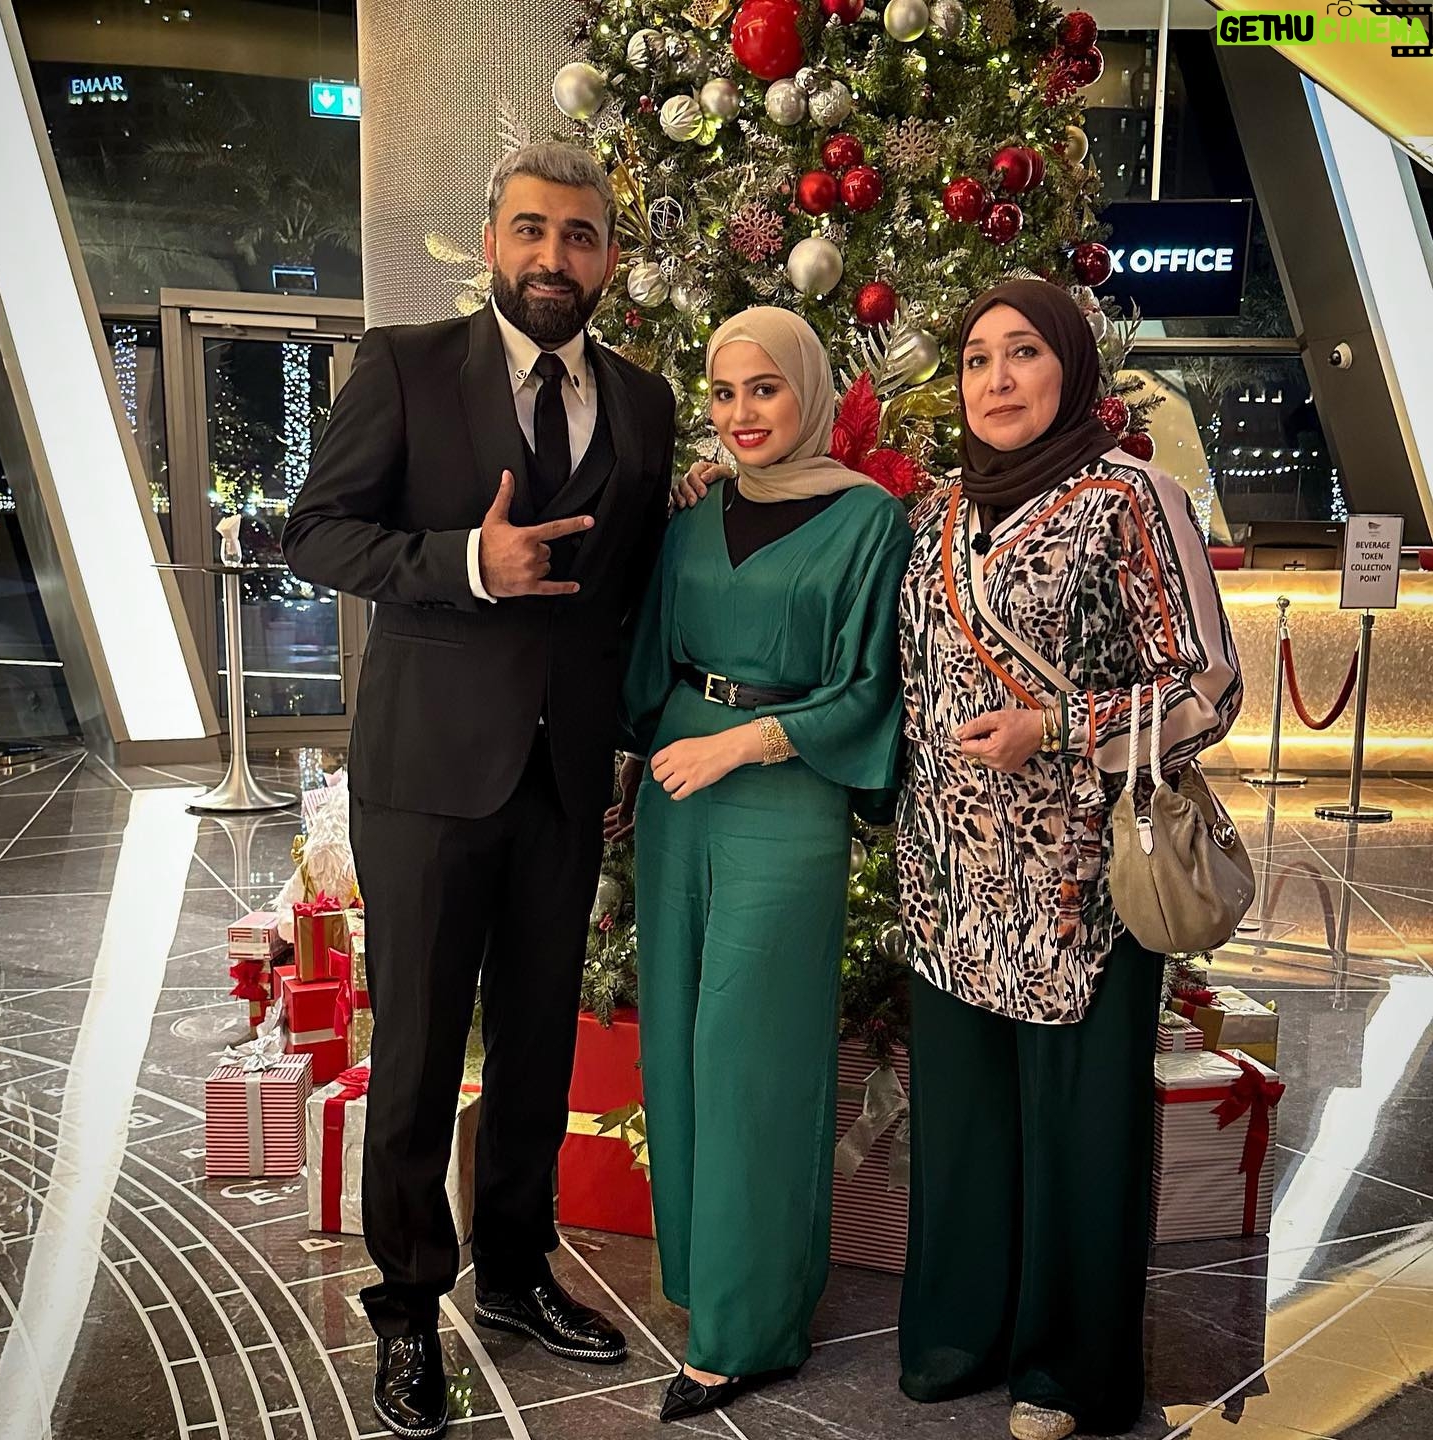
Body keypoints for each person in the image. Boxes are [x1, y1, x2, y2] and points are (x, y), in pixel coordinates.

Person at [282, 141, 675, 1440]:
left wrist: (626, 740)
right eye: (532, 230)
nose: (554, 257)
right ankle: (407, 1305)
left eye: (580, 235)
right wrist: (463, 562)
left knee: (537, 1045)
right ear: (494, 238)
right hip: (428, 777)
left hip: (565, 778)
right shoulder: (405, 365)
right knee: (415, 1054)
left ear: (608, 257)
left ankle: (512, 1267)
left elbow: (626, 592)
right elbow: (315, 531)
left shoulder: (643, 401)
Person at [895, 279, 1242, 1440]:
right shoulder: (942, 510)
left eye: (1024, 353)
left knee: (1079, 1130)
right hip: (950, 876)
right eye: (976, 358)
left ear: (1072, 369)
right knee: (966, 1125)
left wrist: (1057, 728)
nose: (995, 379)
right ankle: (964, 1332)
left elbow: (1207, 685)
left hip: (1078, 881)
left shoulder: (1131, 496)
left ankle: (1066, 1367)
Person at [607, 307, 911, 1424]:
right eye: (724, 392)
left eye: (765, 389)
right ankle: (705, 1282)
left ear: (809, 392)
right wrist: (636, 762)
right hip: (678, 791)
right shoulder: (696, 511)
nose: (741, 413)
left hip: (784, 788)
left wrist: (742, 744)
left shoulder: (869, 519)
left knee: (754, 1056)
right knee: (682, 1043)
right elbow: (652, 652)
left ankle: (749, 1333)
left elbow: (871, 684)